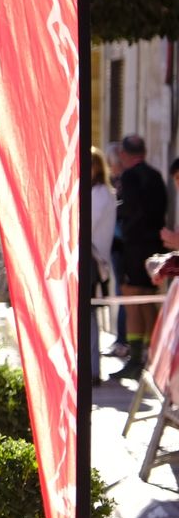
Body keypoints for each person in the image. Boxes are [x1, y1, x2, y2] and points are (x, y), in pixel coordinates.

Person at [112, 134, 165, 379]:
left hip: (134, 248)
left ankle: (135, 360)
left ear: (124, 154)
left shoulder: (130, 177)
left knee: (133, 302)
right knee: (148, 302)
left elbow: (128, 210)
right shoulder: (156, 177)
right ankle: (152, 356)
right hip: (155, 247)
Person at [90, 149, 115, 386]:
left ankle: (92, 370)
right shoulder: (95, 193)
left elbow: (85, 223)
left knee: (88, 316)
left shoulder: (101, 194)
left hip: (93, 261)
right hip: (89, 260)